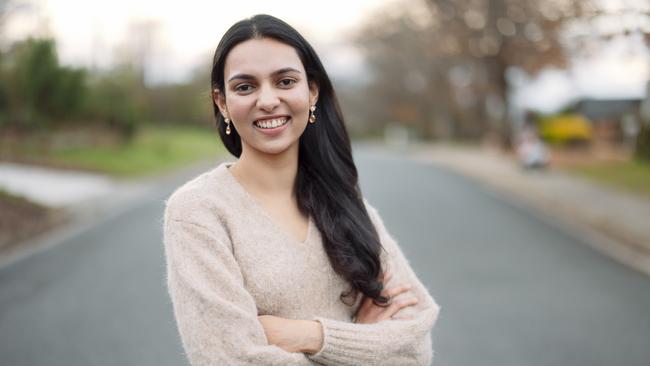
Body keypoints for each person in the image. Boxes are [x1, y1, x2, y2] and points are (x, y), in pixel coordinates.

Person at [162, 14, 441, 366]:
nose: (267, 100)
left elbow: (416, 348)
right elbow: (230, 358)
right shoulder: (198, 213)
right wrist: (365, 341)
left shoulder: (345, 203)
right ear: (222, 102)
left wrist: (310, 336)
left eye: (285, 81)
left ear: (311, 91)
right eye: (245, 86)